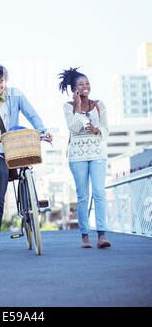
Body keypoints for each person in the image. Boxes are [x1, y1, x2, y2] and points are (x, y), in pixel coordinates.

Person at [0, 64, 52, 253]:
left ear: (5, 79)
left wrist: (43, 131)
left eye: (1, 79)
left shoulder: (15, 95)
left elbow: (31, 114)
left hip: (5, 153)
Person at [58, 67, 111, 249]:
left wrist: (98, 130)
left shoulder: (99, 105)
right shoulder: (68, 106)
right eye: (81, 84)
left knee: (99, 193)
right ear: (74, 89)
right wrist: (79, 106)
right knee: (83, 196)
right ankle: (85, 236)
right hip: (77, 156)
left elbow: (106, 129)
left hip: (97, 153)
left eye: (87, 83)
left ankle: (102, 235)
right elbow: (73, 128)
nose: (85, 86)